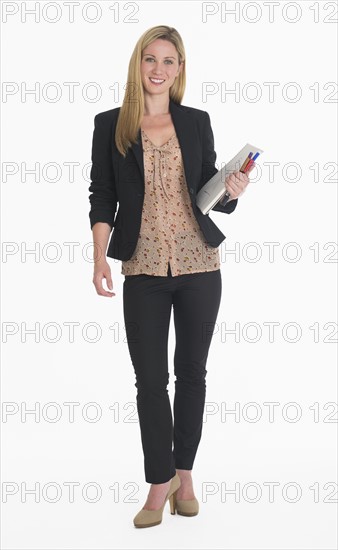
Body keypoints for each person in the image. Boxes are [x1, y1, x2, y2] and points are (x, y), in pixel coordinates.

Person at [88, 25, 254, 528]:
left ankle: (185, 477)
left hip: (200, 264)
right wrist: (99, 257)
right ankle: (158, 483)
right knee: (149, 380)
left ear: (180, 70)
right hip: (141, 267)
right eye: (150, 60)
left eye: (169, 61)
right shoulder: (111, 124)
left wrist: (234, 190)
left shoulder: (197, 121)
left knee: (193, 374)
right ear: (138, 66)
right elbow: (102, 196)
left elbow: (210, 192)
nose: (159, 70)